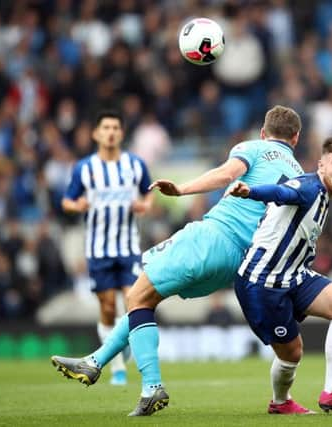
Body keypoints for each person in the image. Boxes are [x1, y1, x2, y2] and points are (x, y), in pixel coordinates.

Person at [51, 105, 305, 416]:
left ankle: (151, 387)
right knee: (144, 297)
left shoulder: (253, 147)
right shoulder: (299, 176)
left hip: (212, 238)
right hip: (238, 263)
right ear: (296, 138)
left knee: (139, 296)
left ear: (264, 133)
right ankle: (95, 362)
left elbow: (226, 174)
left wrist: (182, 189)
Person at [228, 136, 332, 414]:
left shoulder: (322, 195)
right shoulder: (308, 186)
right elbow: (283, 192)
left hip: (294, 275)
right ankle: (280, 402)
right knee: (292, 352)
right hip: (263, 283)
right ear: (321, 164)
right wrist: (250, 191)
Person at [61, 110, 153, 386]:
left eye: (115, 127)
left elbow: (149, 192)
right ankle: (117, 365)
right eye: (106, 128)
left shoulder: (135, 165)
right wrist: (77, 205)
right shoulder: (84, 168)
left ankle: (119, 362)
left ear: (121, 133)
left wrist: (145, 205)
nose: (111, 132)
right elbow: (67, 200)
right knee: (107, 307)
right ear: (96, 134)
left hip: (128, 247)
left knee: (132, 300)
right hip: (98, 250)